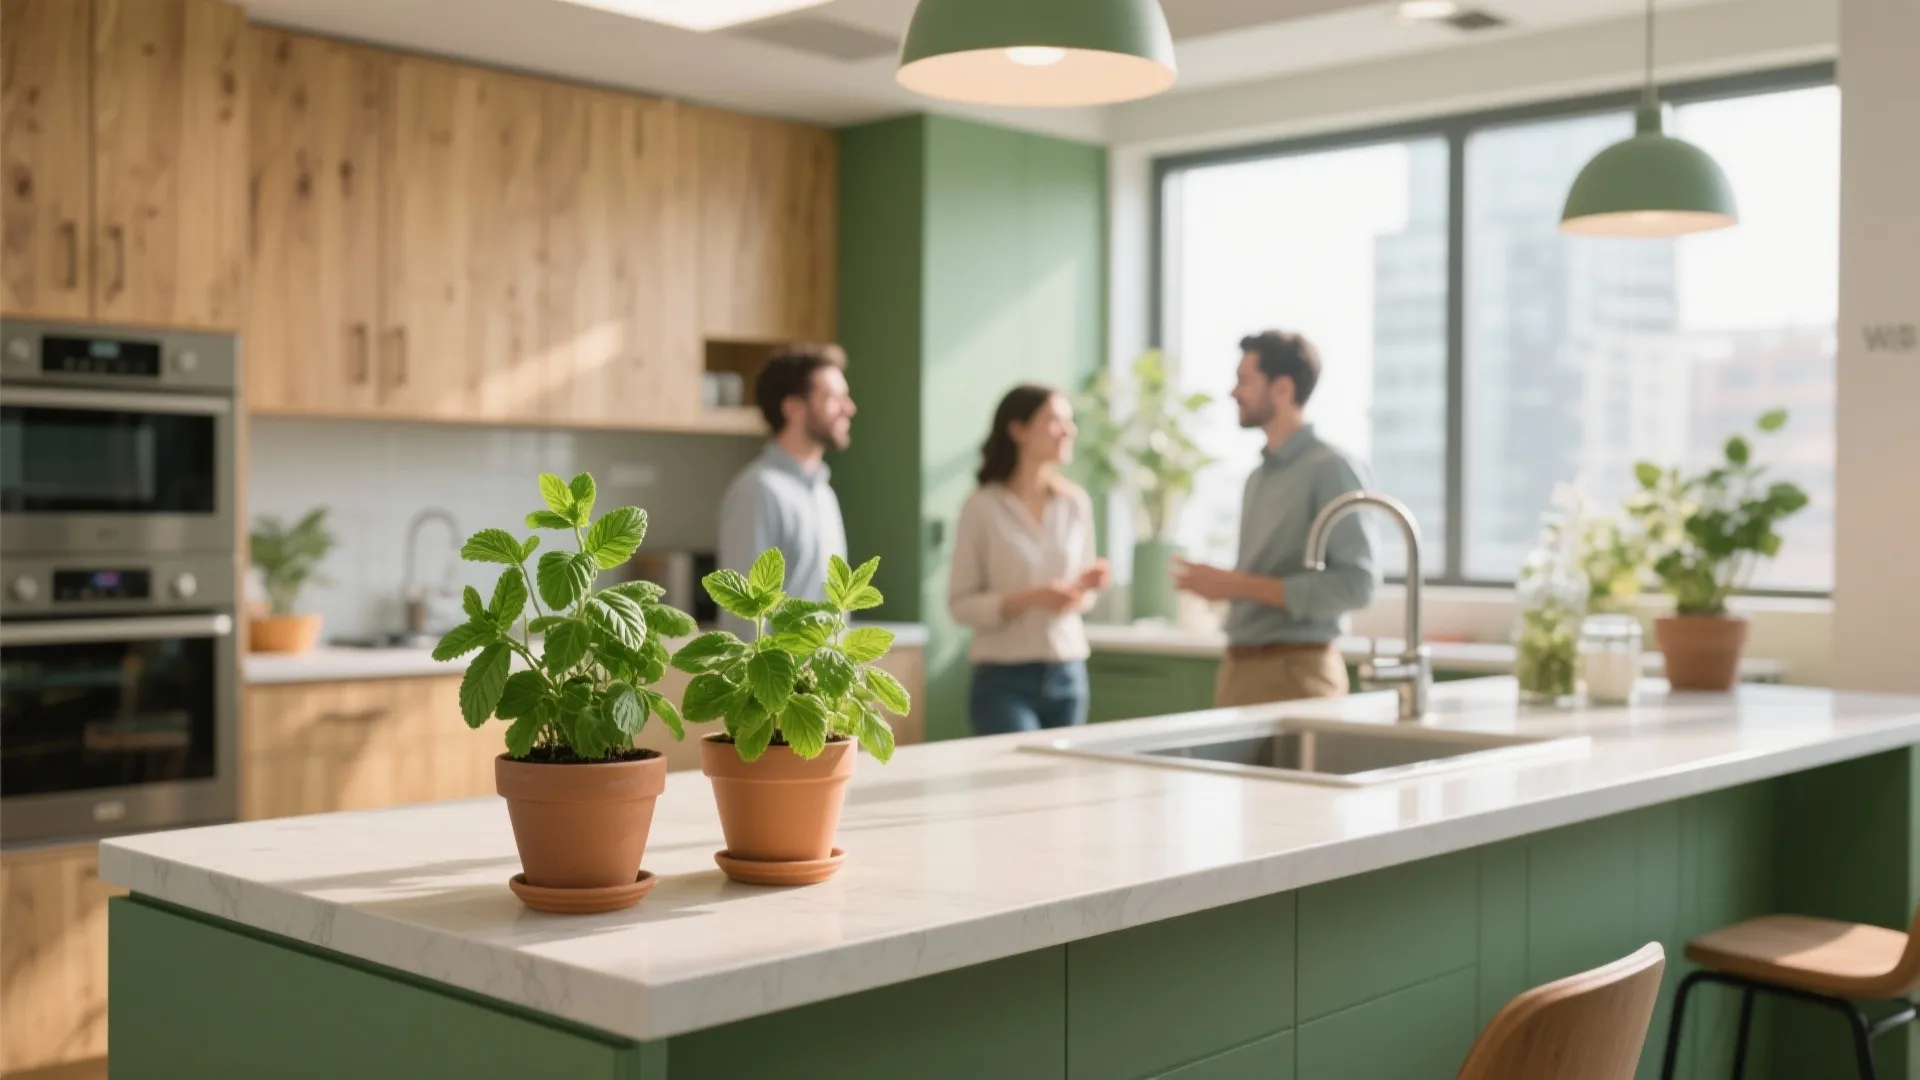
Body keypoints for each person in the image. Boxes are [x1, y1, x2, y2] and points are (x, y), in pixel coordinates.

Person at [1173, 331, 1377, 707]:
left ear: (1282, 388)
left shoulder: (1331, 468)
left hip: (1299, 673)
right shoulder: (1257, 477)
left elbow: (1357, 585)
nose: (1233, 392)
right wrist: (1225, 585)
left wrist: (1234, 585)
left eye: (1245, 381)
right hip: (1239, 670)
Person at [949, 385, 1111, 735]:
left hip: (1068, 673)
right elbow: (960, 605)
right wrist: (1032, 598)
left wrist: (1083, 589)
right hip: (1003, 680)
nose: (1069, 430)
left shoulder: (1075, 503)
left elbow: (1084, 598)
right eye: (1054, 420)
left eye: (1069, 421)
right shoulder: (981, 507)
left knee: (1064, 787)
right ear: (1017, 429)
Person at [718, 345, 856, 634]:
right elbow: (745, 615)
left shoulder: (823, 493)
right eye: (834, 398)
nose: (849, 408)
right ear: (792, 407)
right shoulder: (758, 492)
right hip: (780, 678)